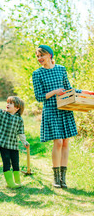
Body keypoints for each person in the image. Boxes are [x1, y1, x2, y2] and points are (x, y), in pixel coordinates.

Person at [32, 45, 94, 188]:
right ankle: (55, 177)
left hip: (65, 108)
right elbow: (39, 97)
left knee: (66, 142)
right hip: (51, 109)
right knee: (58, 142)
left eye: (42, 55)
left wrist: (85, 92)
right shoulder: (37, 74)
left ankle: (63, 178)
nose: (40, 58)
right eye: (38, 56)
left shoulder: (61, 69)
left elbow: (68, 89)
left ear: (50, 55)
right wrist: (54, 91)